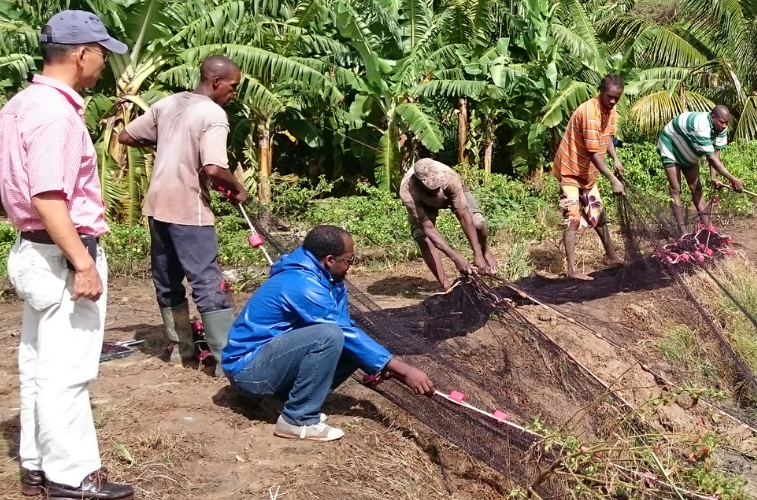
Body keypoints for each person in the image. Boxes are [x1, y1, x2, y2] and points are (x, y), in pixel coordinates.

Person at [0, 10, 135, 499]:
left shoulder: (22, 104)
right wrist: (83, 263)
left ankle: (37, 462)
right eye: (101, 54)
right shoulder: (56, 115)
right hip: (60, 255)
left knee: (37, 364)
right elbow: (49, 197)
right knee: (67, 373)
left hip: (33, 251)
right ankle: (72, 476)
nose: (103, 65)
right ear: (81, 55)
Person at [221, 225, 435, 441]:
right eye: (349, 260)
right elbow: (338, 330)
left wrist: (377, 364)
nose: (351, 266)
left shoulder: (328, 279)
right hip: (248, 371)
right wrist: (404, 369)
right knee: (329, 335)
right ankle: (297, 420)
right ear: (330, 259)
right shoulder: (301, 284)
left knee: (352, 344)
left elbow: (348, 331)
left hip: (271, 362)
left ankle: (284, 400)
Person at [117, 55, 249, 374]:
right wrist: (239, 189)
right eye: (233, 87)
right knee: (207, 281)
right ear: (216, 82)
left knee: (167, 280)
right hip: (189, 209)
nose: (235, 93)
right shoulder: (213, 114)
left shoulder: (169, 104)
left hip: (158, 205)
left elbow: (128, 136)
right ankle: (225, 360)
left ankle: (181, 349)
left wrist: (170, 145)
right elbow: (215, 168)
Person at [553, 74, 627, 280]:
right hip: (570, 170)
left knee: (598, 215)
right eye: (610, 97)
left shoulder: (610, 111)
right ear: (601, 91)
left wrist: (616, 159)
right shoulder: (589, 112)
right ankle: (571, 269)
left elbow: (607, 137)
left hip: (588, 174)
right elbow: (594, 152)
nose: (613, 101)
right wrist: (613, 179)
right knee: (572, 218)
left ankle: (611, 255)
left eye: (616, 98)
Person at [399, 158, 496, 289]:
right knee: (422, 237)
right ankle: (446, 286)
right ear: (419, 182)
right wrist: (456, 258)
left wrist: (477, 254)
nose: (437, 190)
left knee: (477, 223)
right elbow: (428, 228)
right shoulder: (408, 192)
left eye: (438, 186)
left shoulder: (449, 177)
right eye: (432, 188)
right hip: (423, 203)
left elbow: (464, 216)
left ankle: (485, 251)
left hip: (452, 190)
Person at [658, 105, 745, 235]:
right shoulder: (701, 126)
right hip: (671, 145)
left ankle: (709, 230)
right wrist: (732, 178)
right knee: (676, 189)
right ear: (712, 117)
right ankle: (683, 233)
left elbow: (716, 153)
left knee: (697, 189)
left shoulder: (721, 129)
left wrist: (713, 177)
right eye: (722, 122)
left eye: (727, 122)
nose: (724, 125)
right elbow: (711, 159)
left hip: (689, 151)